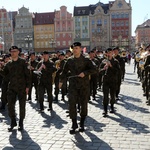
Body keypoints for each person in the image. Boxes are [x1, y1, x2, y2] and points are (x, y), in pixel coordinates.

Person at [59, 42, 97, 134]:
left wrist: (85, 73)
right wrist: (60, 82)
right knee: (72, 104)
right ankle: (74, 123)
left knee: (83, 105)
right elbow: (64, 72)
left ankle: (82, 123)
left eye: (77, 48)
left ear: (80, 49)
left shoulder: (86, 60)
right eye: (74, 48)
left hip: (84, 86)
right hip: (73, 86)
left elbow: (95, 69)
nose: (75, 50)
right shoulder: (69, 60)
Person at [0, 46, 31, 131]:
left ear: (18, 52)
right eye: (12, 51)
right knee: (10, 106)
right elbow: (5, 75)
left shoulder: (23, 62)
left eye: (15, 51)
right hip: (12, 88)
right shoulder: (8, 64)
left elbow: (28, 75)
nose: (13, 53)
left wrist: (28, 87)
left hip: (22, 87)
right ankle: (13, 121)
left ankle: (21, 123)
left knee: (22, 106)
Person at [100, 48, 120, 117]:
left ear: (112, 53)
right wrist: (103, 69)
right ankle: (105, 110)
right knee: (105, 96)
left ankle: (112, 107)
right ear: (106, 54)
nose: (109, 54)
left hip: (113, 81)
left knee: (112, 95)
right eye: (108, 53)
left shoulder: (115, 61)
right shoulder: (103, 61)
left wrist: (111, 66)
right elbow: (99, 70)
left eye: (110, 52)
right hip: (105, 81)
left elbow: (117, 71)